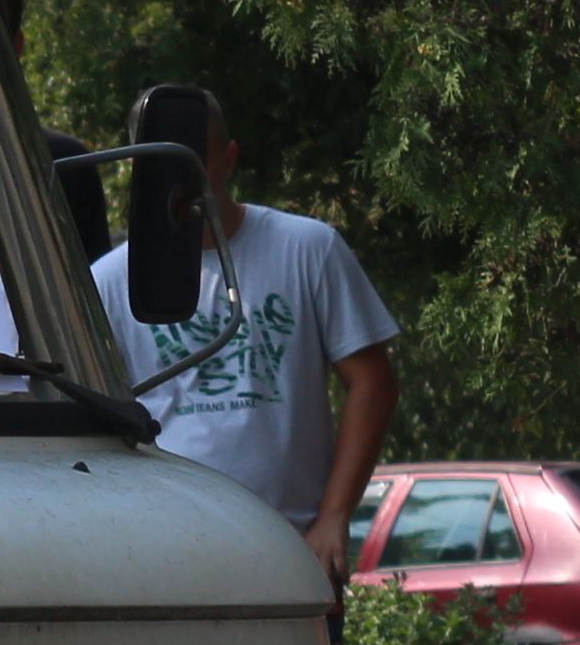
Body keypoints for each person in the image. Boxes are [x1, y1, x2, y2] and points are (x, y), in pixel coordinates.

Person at [87, 112, 403, 574]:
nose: (181, 179)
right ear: (137, 167)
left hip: (295, 550)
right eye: (161, 161)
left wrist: (334, 516)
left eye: (194, 159)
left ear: (228, 158)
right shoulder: (109, 282)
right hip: (163, 555)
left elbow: (374, 384)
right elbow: (88, 420)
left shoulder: (308, 249)